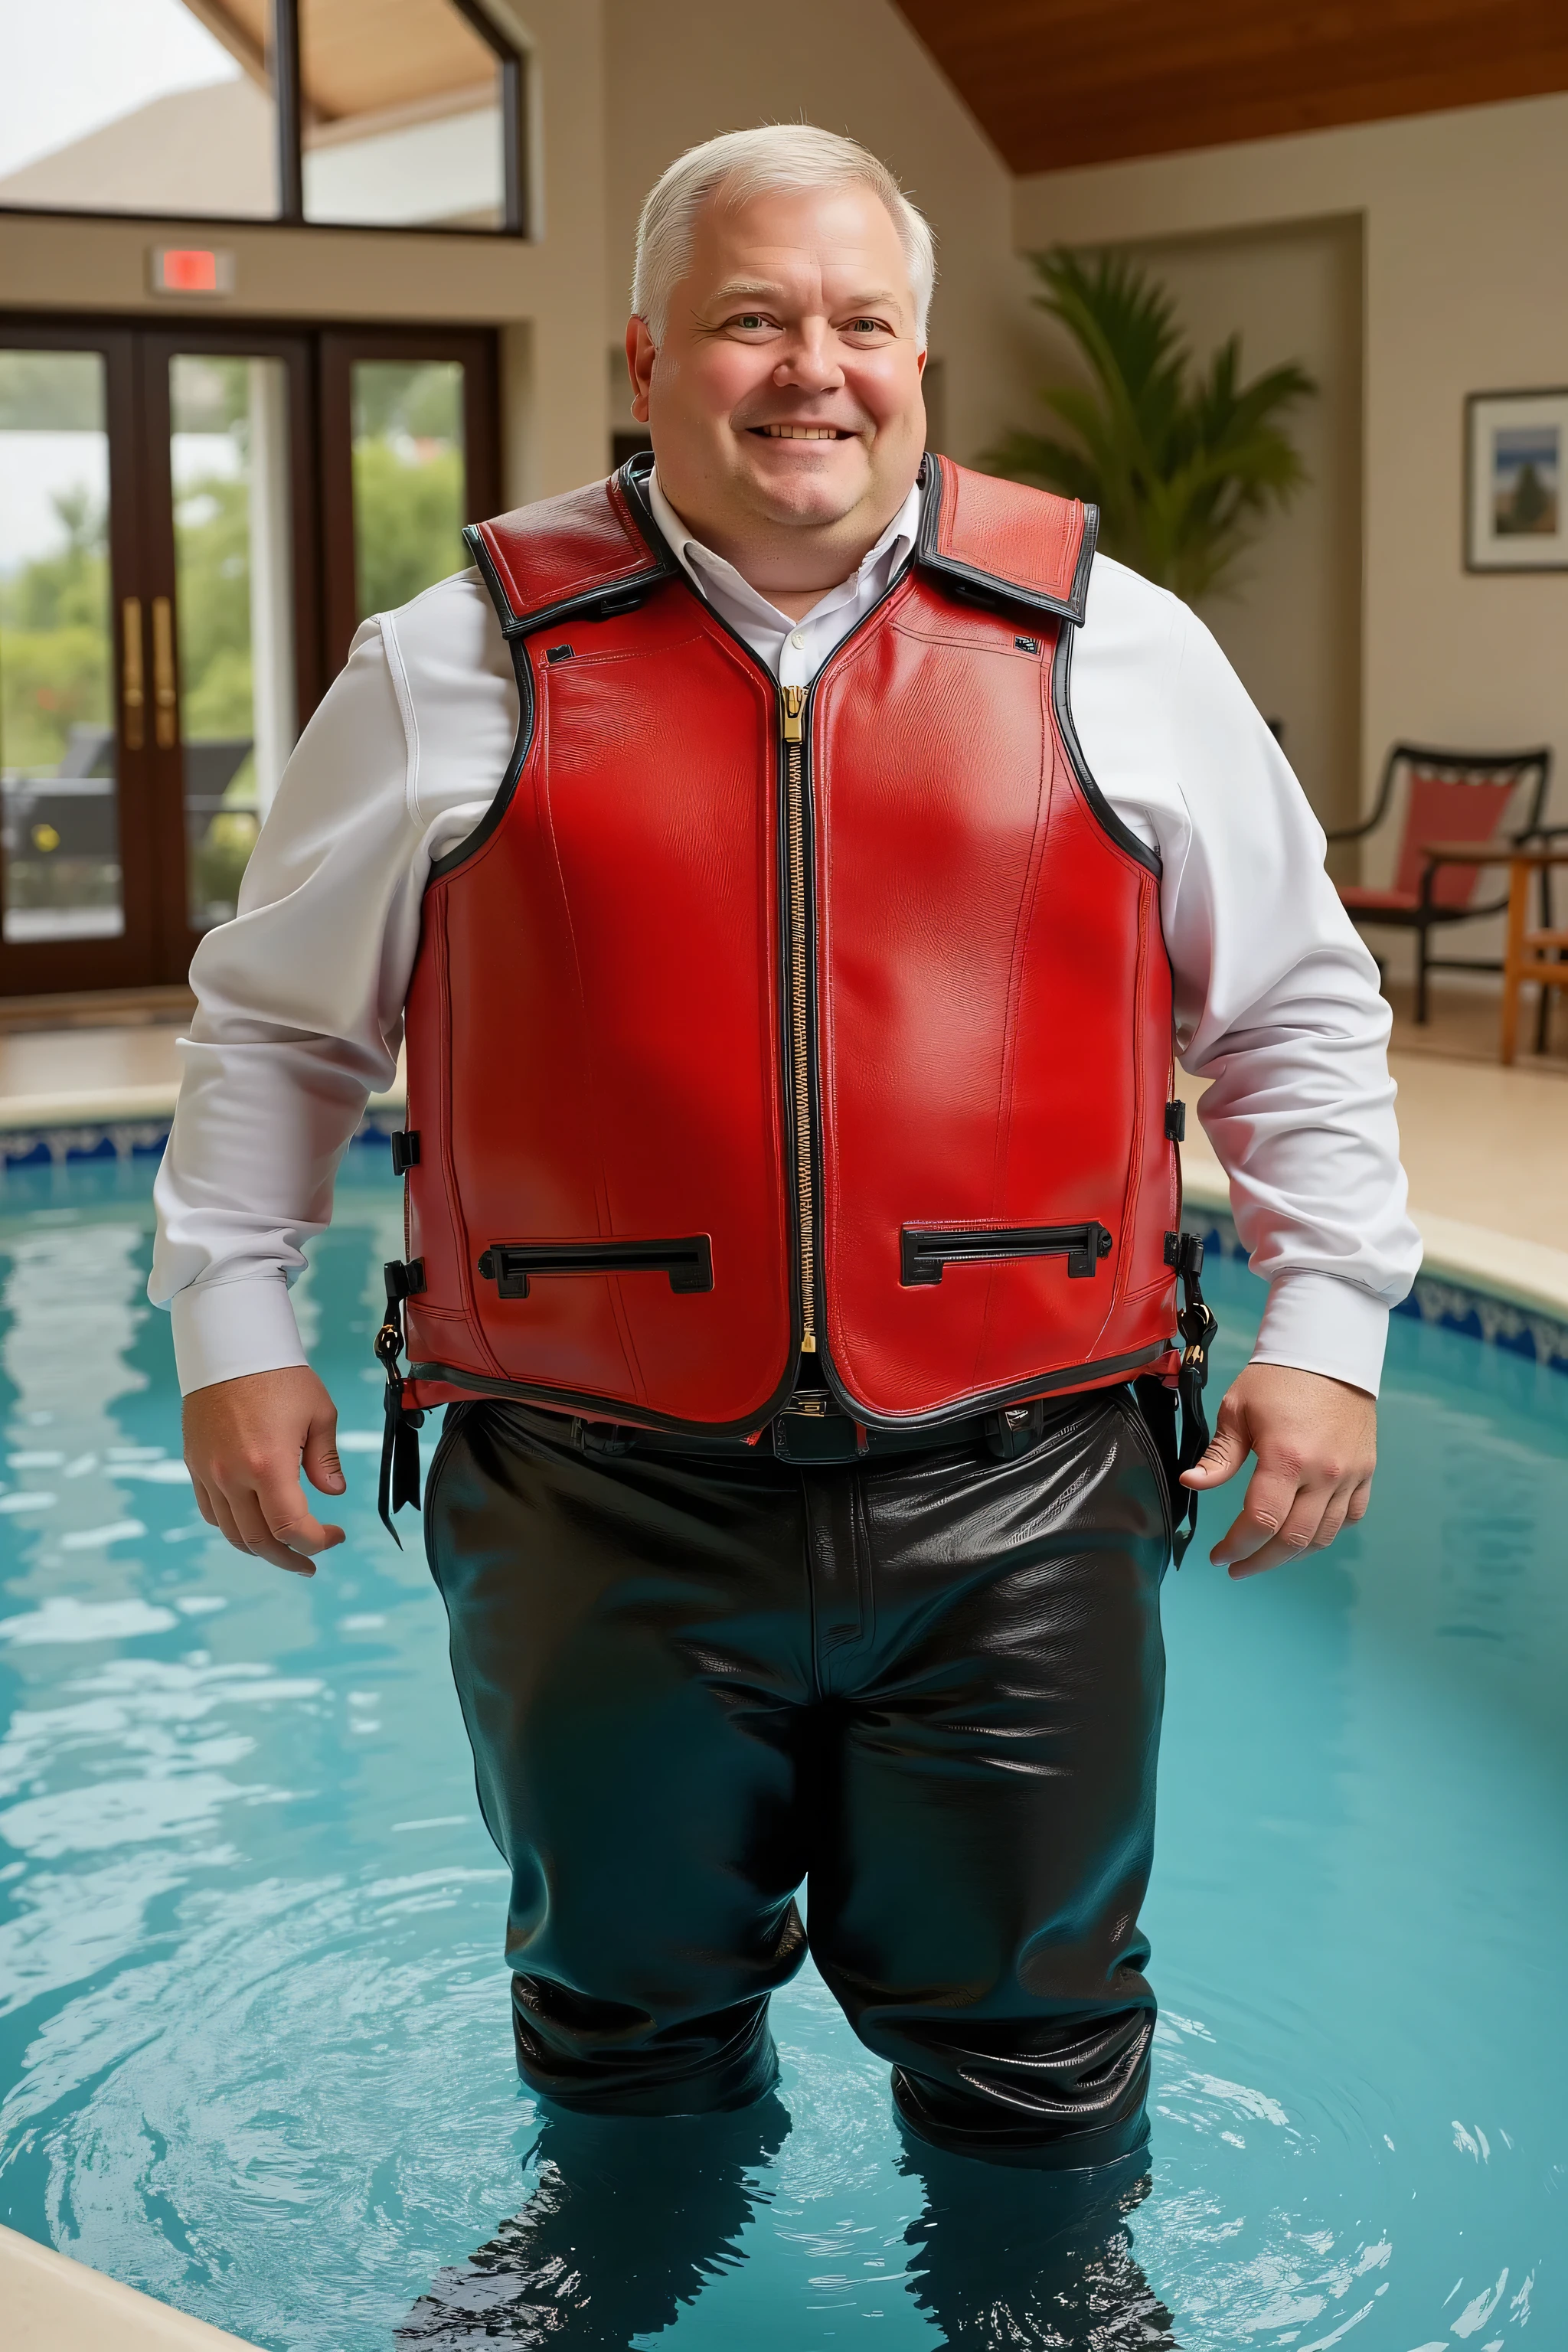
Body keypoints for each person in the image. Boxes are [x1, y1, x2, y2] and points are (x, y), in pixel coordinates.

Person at [155, 122, 1419, 2328]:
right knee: (618, 2005)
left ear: (922, 357)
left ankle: (1045, 2297)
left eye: (858, 323)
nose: (808, 370)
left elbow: (1296, 1005)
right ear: (646, 356)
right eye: (752, 318)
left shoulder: (1121, 642)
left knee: (1035, 2025)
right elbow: (277, 1030)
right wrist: (228, 1321)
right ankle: (623, 2264)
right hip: (585, 1486)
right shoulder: (450, 658)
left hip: (1024, 1477)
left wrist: (1330, 1316)